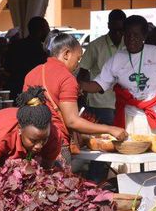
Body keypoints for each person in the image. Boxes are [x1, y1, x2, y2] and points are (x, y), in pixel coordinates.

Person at [23, 33, 128, 164]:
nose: (77, 65)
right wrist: (110, 129)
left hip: (32, 142)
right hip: (56, 143)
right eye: (78, 59)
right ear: (66, 54)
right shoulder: (67, 78)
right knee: (57, 183)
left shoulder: (32, 73)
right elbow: (72, 121)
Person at [82, 15, 156, 137]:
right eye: (128, 35)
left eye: (136, 35)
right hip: (130, 118)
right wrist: (78, 84)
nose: (131, 39)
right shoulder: (117, 58)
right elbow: (99, 85)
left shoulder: (155, 53)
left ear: (144, 36)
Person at [0, 86, 58, 184]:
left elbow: (46, 172)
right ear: (19, 129)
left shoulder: (53, 135)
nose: (39, 146)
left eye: (44, 140)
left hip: (23, 156)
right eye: (33, 140)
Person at [78, 9, 127, 125]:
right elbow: (83, 72)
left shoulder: (129, 44)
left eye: (121, 30)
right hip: (100, 103)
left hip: (124, 102)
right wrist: (81, 98)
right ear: (108, 25)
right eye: (114, 30)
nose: (117, 34)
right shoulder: (95, 46)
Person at [5, 17, 50, 99]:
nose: (48, 32)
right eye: (47, 29)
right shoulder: (40, 51)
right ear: (41, 30)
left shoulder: (15, 46)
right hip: (33, 93)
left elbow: (7, 67)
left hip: (15, 89)